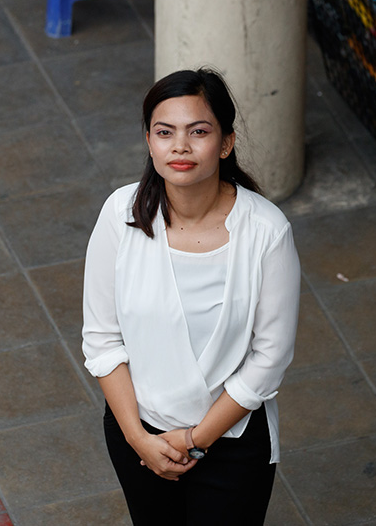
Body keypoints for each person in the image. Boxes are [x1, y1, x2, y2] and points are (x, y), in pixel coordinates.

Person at [81, 67, 301, 525]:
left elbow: (270, 358)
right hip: (138, 435)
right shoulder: (120, 214)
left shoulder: (266, 231)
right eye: (165, 132)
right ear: (149, 141)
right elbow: (102, 340)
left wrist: (194, 440)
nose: (179, 146)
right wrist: (139, 439)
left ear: (225, 143)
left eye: (198, 132)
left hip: (232, 443)